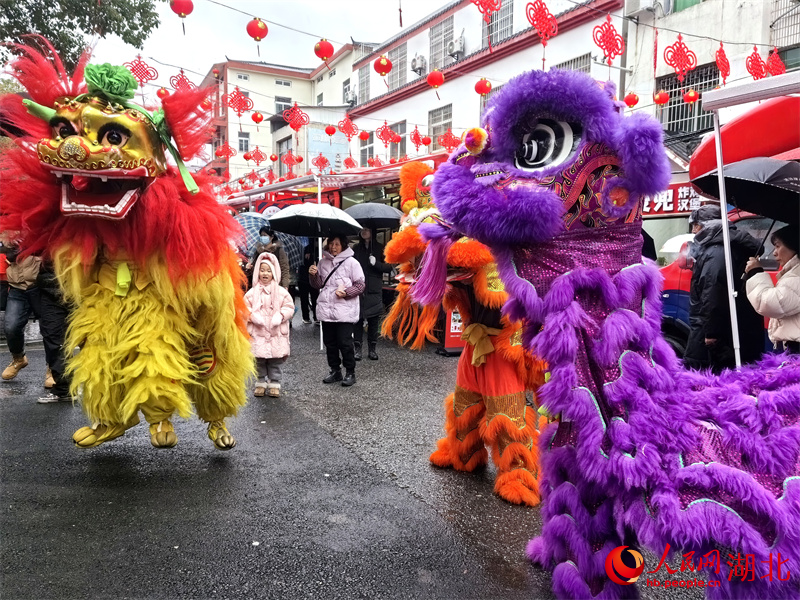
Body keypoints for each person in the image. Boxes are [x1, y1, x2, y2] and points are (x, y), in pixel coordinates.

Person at [683, 205, 764, 372]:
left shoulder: (717, 251)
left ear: (707, 225)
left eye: (696, 225)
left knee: (708, 377)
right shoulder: (727, 246)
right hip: (735, 327)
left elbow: (713, 292)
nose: (693, 231)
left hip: (718, 333)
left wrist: (712, 333)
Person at [309, 235, 364, 387]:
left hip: (344, 311)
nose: (333, 247)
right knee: (330, 343)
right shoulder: (322, 262)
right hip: (326, 309)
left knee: (345, 343)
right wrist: (313, 275)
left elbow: (360, 285)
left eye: (337, 244)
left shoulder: (352, 263)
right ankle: (335, 370)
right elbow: (318, 284)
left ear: (343, 245)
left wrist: (346, 293)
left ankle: (350, 372)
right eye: (331, 244)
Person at [244, 253, 294, 398]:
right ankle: (260, 382)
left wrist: (281, 316)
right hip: (258, 332)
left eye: (268, 270)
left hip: (275, 332)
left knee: (275, 360)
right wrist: (252, 316)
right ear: (257, 272)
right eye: (262, 270)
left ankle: (275, 382)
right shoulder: (252, 293)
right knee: (258, 359)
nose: (265, 273)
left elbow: (289, 307)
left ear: (274, 272)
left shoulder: (281, 292)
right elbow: (244, 308)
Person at [745, 225, 800, 353]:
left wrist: (755, 272)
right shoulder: (793, 272)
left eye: (777, 246)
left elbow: (771, 303)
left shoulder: (797, 276)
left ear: (794, 246)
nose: (774, 253)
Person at [351, 228, 393, 360]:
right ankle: (357, 349)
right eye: (362, 229)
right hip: (359, 288)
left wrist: (376, 264)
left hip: (374, 289)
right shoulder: (356, 248)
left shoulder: (380, 248)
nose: (364, 231)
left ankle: (372, 349)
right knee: (357, 320)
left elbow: (389, 267)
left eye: (367, 229)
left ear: (372, 231)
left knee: (373, 321)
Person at [298, 239, 319, 324]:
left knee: (309, 298)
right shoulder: (308, 249)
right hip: (305, 277)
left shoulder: (307, 249)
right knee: (310, 298)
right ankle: (311, 317)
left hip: (306, 277)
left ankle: (309, 317)